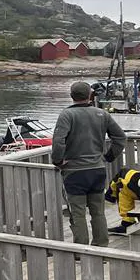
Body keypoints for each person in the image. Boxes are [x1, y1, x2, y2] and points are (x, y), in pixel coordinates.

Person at [51, 80, 126, 246]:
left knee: (77, 212)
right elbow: (120, 137)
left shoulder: (67, 115)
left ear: (71, 96)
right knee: (98, 212)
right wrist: (108, 157)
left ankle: (81, 248)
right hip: (97, 169)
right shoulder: (102, 114)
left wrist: (57, 161)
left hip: (75, 171)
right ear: (90, 95)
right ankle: (101, 245)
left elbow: (58, 141)